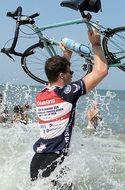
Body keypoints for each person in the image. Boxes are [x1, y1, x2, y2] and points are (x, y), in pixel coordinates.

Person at [29, 28, 108, 183]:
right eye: (70, 72)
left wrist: (66, 57)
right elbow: (101, 70)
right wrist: (96, 44)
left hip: (37, 160)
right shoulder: (67, 93)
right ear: (62, 75)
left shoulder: (42, 94)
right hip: (55, 162)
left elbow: (56, 79)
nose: (72, 74)